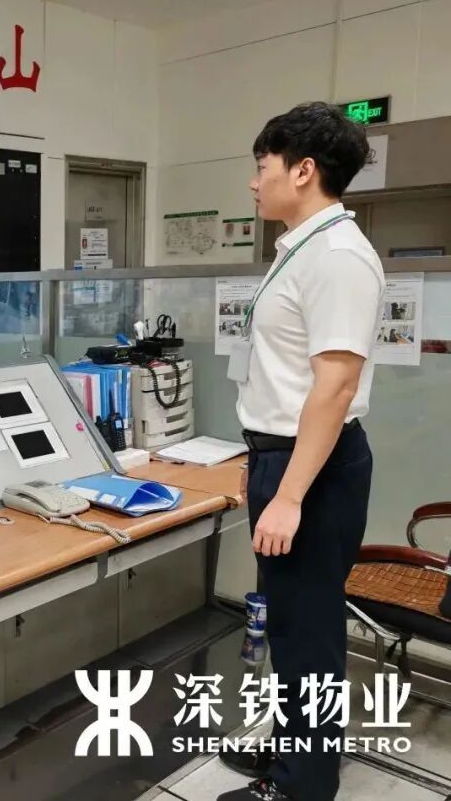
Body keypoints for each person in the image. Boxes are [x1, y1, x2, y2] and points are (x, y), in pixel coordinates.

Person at [217, 103, 384, 801]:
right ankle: (295, 755)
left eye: (263, 167)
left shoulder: (338, 256)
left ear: (303, 170)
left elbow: (335, 386)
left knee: (307, 635)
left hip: (309, 469)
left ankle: (302, 787)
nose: (254, 182)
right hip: (284, 457)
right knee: (291, 625)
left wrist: (288, 495)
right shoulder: (304, 249)